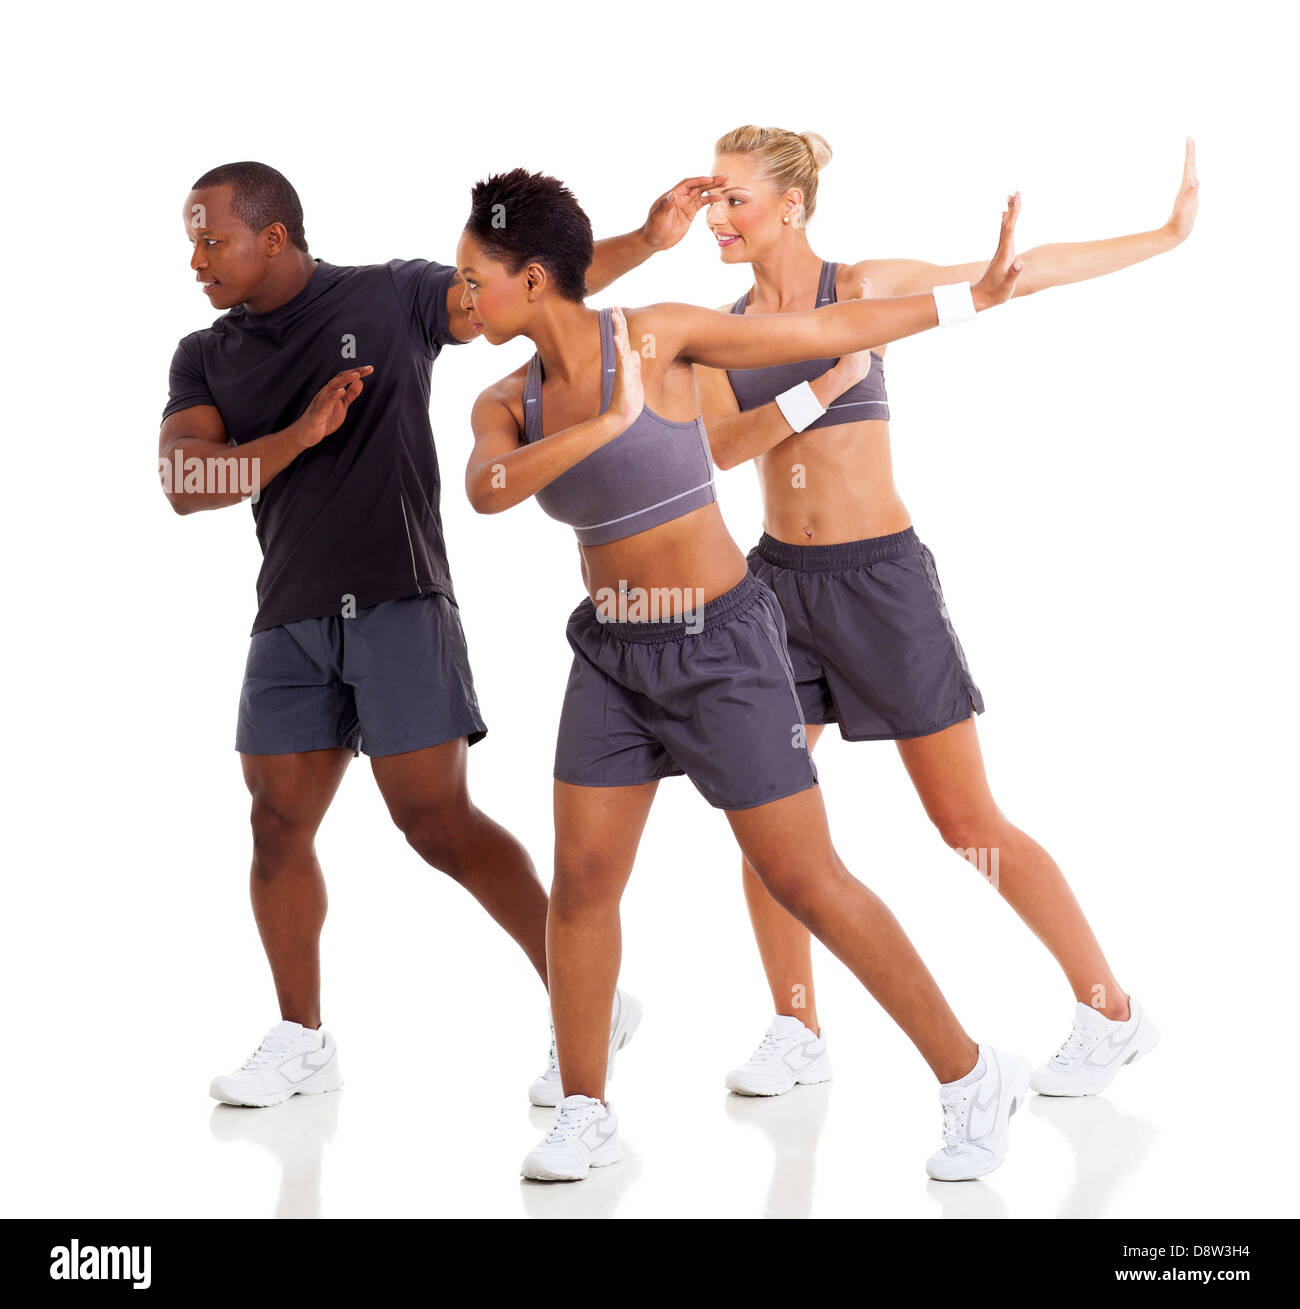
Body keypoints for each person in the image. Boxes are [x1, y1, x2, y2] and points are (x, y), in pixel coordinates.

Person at [461, 166, 1030, 1182]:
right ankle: (587, 1107)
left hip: (723, 644)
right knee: (585, 879)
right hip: (612, 647)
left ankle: (969, 1072)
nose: (464, 298)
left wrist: (968, 297)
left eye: (476, 277)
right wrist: (596, 427)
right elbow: (487, 490)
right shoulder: (505, 400)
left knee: (802, 877)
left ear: (536, 279)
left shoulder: (659, 333)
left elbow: (814, 336)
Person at [159, 160, 721, 1109]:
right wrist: (297, 437)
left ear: (274, 237)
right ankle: (302, 1038)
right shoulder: (203, 354)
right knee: (275, 824)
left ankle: (585, 1001)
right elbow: (185, 484)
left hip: (400, 600)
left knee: (435, 822)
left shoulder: (389, 296)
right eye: (190, 241)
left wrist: (644, 241)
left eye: (211, 239)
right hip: (289, 617)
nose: (196, 259)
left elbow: (525, 296)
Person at [693, 126, 1194, 1098]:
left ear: (790, 205)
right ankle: (796, 1025)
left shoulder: (865, 287)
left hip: (882, 584)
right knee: (766, 820)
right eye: (708, 198)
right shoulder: (723, 326)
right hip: (777, 586)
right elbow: (719, 448)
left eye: (732, 198)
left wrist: (1162, 235)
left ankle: (1110, 1009)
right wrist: (817, 392)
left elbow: (1014, 271)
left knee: (965, 821)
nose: (714, 216)